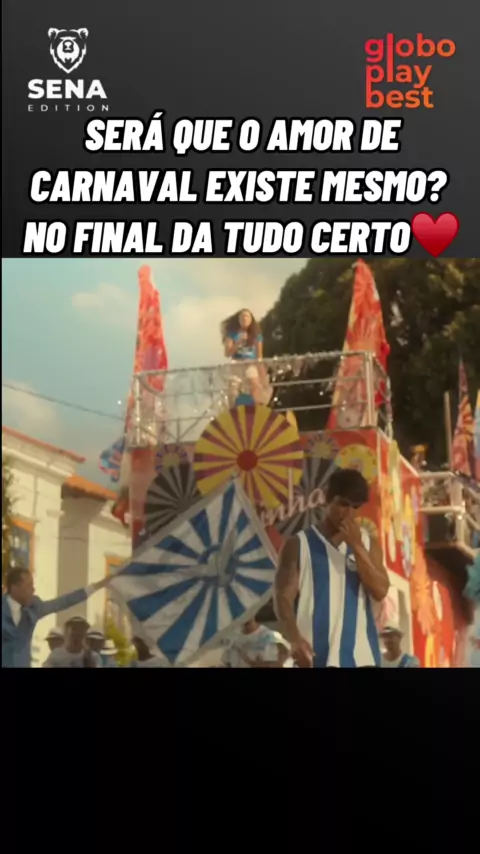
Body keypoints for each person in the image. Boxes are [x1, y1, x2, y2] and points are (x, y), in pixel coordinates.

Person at [274, 468, 390, 668]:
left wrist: (357, 547)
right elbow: (282, 598)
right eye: (343, 504)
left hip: (361, 659)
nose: (349, 513)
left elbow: (380, 591)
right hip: (315, 658)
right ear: (328, 499)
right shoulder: (298, 545)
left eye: (355, 507)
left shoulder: (368, 544)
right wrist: (294, 638)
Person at [2, 568, 108, 668]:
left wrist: (95, 587)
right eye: (29, 585)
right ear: (15, 587)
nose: (33, 589)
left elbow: (62, 602)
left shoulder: (34, 607)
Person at [221, 309, 272, 406]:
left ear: (251, 320)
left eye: (247, 316)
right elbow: (227, 353)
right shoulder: (232, 335)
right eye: (242, 317)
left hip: (250, 363)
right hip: (236, 364)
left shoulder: (256, 335)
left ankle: (256, 408)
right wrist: (238, 343)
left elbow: (259, 356)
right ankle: (233, 410)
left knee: (254, 385)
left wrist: (262, 373)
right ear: (238, 320)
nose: (245, 318)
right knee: (233, 390)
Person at [221, 615, 291, 668]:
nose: (244, 616)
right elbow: (227, 662)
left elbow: (280, 663)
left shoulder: (271, 637)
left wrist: (253, 663)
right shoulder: (232, 639)